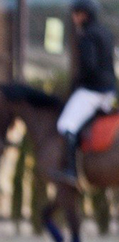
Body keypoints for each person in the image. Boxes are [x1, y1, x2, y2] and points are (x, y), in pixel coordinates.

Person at [55, 0, 117, 186]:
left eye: (76, 13)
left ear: (84, 15)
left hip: (93, 91)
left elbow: (89, 68)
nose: (74, 17)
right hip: (110, 92)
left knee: (66, 124)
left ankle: (71, 171)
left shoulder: (87, 36)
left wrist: (75, 86)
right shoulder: (106, 32)